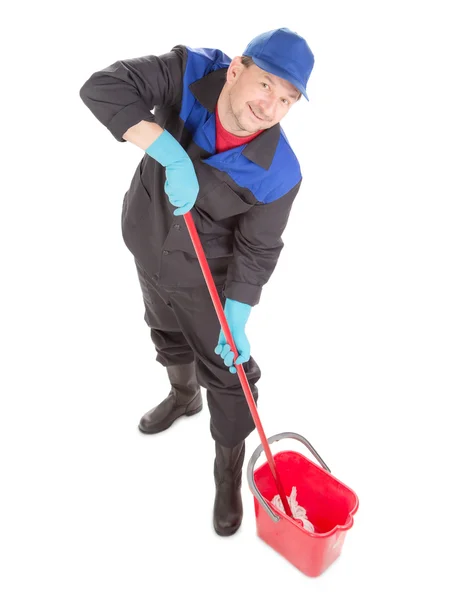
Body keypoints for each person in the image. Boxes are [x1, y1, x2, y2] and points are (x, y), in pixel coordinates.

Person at [79, 27, 314, 536]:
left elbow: (259, 247)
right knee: (162, 328)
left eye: (288, 99)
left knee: (230, 379)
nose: (271, 105)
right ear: (236, 69)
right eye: (267, 84)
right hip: (147, 237)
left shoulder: (280, 172)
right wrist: (171, 151)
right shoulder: (189, 73)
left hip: (206, 277)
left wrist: (239, 312)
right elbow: (102, 87)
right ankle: (183, 396)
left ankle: (227, 473)